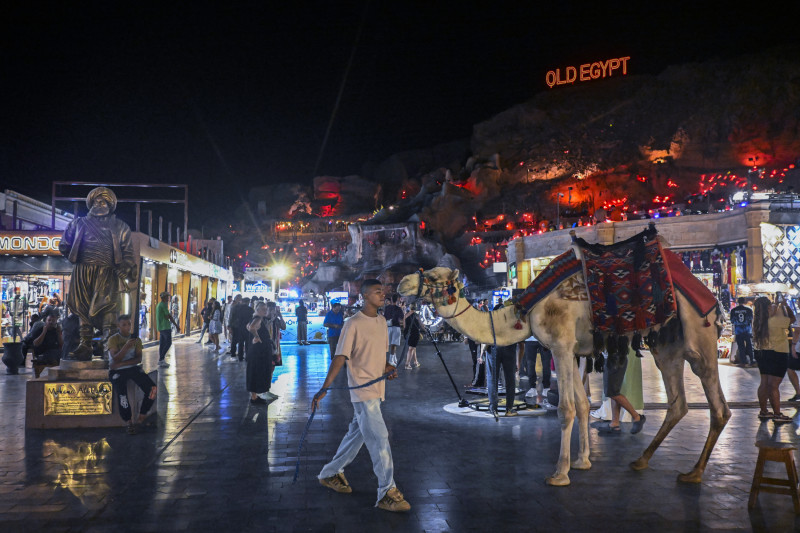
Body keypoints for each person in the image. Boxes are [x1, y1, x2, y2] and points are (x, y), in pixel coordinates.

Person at [313, 279, 411, 513]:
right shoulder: (353, 324)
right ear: (364, 296)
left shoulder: (381, 321)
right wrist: (324, 387)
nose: (382, 295)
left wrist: (388, 367)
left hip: (377, 390)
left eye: (383, 292)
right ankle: (387, 491)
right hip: (362, 390)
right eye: (377, 292)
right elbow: (340, 356)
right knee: (379, 439)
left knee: (356, 435)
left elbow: (378, 355)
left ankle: (330, 473)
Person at [58, 186, 137, 359]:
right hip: (82, 271)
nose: (98, 204)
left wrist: (125, 268)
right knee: (82, 308)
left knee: (108, 307)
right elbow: (64, 244)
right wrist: (74, 253)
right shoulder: (77, 224)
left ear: (110, 204)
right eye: (96, 201)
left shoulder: (120, 226)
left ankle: (109, 345)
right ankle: (85, 344)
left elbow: (128, 253)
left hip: (107, 272)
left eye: (103, 201)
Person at [107, 314, 157, 434]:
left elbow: (138, 359)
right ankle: (128, 421)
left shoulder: (136, 340)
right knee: (122, 395)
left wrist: (121, 363)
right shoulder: (113, 339)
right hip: (117, 371)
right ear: (119, 326)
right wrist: (126, 347)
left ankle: (141, 416)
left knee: (152, 389)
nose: (127, 327)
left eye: (129, 324)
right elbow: (115, 358)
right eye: (124, 325)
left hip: (131, 368)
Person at [753, 296, 793, 422]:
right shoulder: (775, 321)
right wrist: (784, 305)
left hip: (761, 352)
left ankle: (764, 411)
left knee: (764, 383)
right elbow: (792, 319)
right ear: (768, 307)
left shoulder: (757, 321)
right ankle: (777, 414)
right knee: (774, 385)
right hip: (777, 352)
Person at [598, 349, 646, 434]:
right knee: (613, 392)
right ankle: (615, 423)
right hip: (611, 358)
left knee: (612, 392)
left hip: (615, 359)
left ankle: (636, 417)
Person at [246, 301, 279, 403]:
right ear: (258, 309)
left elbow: (248, 327)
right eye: (263, 309)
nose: (265, 311)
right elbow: (251, 327)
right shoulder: (258, 319)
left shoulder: (254, 318)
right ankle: (256, 396)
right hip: (259, 352)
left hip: (256, 351)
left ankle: (255, 396)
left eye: (266, 309)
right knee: (259, 372)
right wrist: (257, 337)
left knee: (254, 372)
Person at [27, 308, 63, 378]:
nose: (51, 322)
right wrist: (44, 332)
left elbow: (62, 344)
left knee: (63, 353)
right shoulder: (40, 330)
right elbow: (35, 343)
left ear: (56, 322)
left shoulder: (56, 331)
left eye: (53, 321)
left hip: (55, 353)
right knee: (56, 354)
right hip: (42, 354)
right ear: (46, 321)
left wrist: (59, 334)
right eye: (49, 320)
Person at [522, 334, 553, 408]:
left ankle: (546, 387)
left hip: (544, 339)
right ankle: (532, 387)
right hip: (530, 339)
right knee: (530, 364)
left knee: (546, 364)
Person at [156, 291, 180, 368]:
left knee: (162, 344)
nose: (168, 298)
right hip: (165, 327)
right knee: (168, 343)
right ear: (163, 298)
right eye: (167, 297)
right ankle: (161, 358)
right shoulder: (163, 305)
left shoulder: (159, 305)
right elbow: (168, 316)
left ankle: (161, 360)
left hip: (160, 327)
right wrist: (176, 325)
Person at [730, 297, 755, 367]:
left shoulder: (733, 310)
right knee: (749, 346)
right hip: (747, 330)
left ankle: (743, 362)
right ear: (744, 302)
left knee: (741, 347)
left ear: (738, 302)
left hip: (738, 331)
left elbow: (732, 321)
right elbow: (751, 320)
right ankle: (752, 361)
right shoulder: (749, 310)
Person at [383, 294, 404, 366]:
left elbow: (384, 317)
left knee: (390, 345)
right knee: (394, 344)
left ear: (391, 300)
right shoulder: (399, 309)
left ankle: (394, 358)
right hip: (396, 327)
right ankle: (391, 360)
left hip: (388, 327)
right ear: (397, 300)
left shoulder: (387, 308)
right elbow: (402, 318)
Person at [230, 297, 254, 361]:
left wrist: (231, 326)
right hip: (247, 328)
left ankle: (240, 356)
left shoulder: (237, 308)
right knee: (247, 343)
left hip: (238, 327)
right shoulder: (250, 309)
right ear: (248, 302)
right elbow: (252, 319)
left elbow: (232, 317)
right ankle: (247, 356)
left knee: (240, 342)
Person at [403, 303, 421, 370]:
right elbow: (421, 324)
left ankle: (416, 362)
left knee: (413, 347)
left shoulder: (406, 315)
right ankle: (407, 364)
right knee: (411, 348)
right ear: (415, 307)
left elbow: (404, 326)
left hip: (407, 333)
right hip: (415, 333)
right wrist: (425, 329)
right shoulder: (417, 315)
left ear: (410, 308)